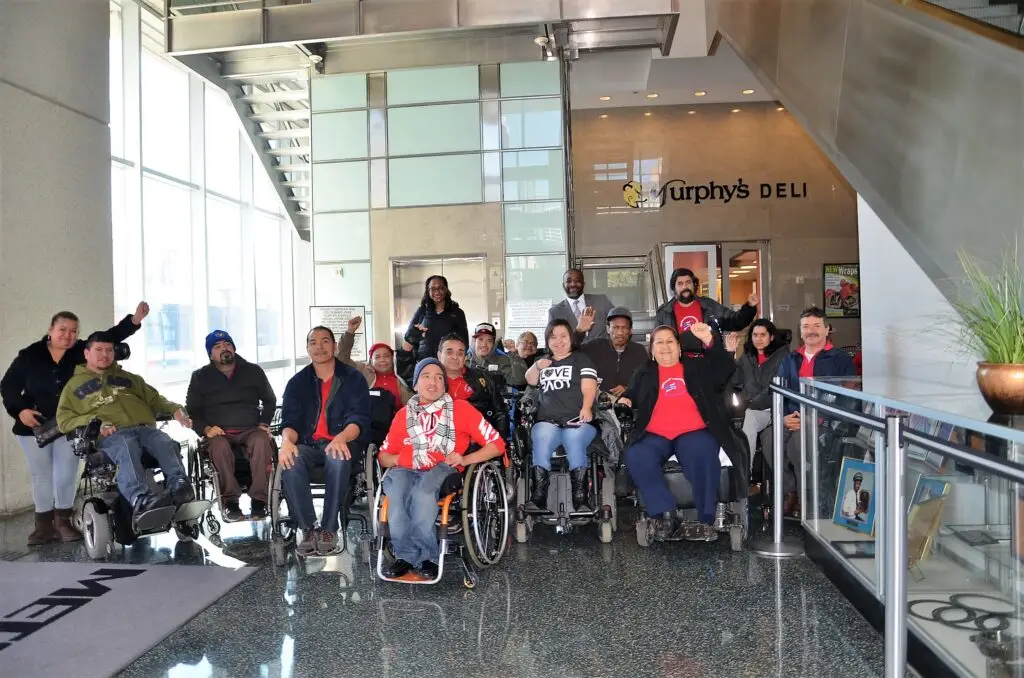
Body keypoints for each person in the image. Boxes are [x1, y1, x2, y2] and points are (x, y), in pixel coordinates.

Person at [1, 302, 149, 546]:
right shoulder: (29, 355)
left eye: (73, 331)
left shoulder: (82, 351)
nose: (68, 335)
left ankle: (63, 522)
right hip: (34, 426)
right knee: (42, 476)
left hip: (71, 424)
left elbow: (109, 337)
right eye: (63, 329)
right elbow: (8, 386)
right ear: (51, 330)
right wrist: (19, 411)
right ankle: (43, 528)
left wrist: (133, 321)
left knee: (67, 474)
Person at [377, 358, 505, 579]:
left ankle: (428, 556)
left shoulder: (461, 410)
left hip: (443, 467)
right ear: (415, 384)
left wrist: (466, 460)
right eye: (426, 376)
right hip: (407, 468)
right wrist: (404, 458)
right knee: (396, 493)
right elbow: (383, 457)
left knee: (422, 493)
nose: (433, 382)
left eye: (439, 377)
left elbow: (497, 445)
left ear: (445, 385)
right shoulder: (403, 415)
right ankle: (405, 555)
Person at [618, 324, 748, 541]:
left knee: (702, 452)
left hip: (693, 430)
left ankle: (704, 518)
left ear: (679, 348)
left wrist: (710, 340)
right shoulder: (646, 371)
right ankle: (666, 514)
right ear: (652, 350)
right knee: (636, 455)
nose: (665, 346)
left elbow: (724, 370)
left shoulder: (696, 367)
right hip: (656, 433)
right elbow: (632, 391)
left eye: (670, 341)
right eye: (659, 342)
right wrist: (626, 399)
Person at [56, 331, 194, 519]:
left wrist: (175, 409)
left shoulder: (130, 378)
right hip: (112, 435)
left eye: (109, 350)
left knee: (164, 440)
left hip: (145, 429)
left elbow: (155, 400)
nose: (105, 354)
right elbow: (63, 420)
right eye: (99, 350)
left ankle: (179, 485)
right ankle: (140, 499)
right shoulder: (73, 386)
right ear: (86, 354)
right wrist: (93, 421)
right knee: (126, 446)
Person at [279, 326, 372, 556]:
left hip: (344, 442)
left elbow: (359, 418)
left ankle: (330, 529)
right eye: (313, 342)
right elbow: (290, 420)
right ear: (307, 348)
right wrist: (287, 442)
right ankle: (308, 529)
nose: (319, 347)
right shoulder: (297, 383)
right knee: (291, 459)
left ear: (335, 345)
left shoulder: (352, 378)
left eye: (325, 341)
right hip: (309, 445)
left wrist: (341, 437)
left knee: (337, 456)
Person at [770, 306, 856, 516]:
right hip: (793, 418)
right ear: (800, 331)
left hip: (822, 422)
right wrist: (782, 418)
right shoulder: (791, 359)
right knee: (768, 439)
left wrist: (814, 418)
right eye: (806, 326)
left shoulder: (840, 360)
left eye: (817, 326)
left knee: (796, 446)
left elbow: (846, 398)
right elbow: (778, 391)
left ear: (827, 330)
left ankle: (805, 497)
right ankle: (790, 491)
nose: (811, 331)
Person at [186, 330, 277, 521]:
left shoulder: (253, 371)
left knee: (262, 441)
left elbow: (270, 400)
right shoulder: (200, 376)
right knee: (218, 446)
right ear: (211, 354)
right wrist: (206, 429)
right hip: (219, 432)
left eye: (227, 344)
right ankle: (230, 502)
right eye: (217, 347)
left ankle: (260, 501)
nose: (224, 349)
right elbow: (192, 411)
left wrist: (263, 424)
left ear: (233, 348)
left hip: (251, 429)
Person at [526, 319, 599, 511]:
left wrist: (586, 407)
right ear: (547, 340)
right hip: (548, 421)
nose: (559, 341)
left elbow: (589, 386)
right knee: (540, 436)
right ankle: (539, 494)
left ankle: (580, 497)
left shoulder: (581, 359)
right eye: (553, 337)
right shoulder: (543, 361)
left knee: (574, 439)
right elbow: (530, 380)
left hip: (577, 420)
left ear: (571, 338)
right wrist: (538, 366)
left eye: (563, 336)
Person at [731, 319, 790, 461]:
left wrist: (750, 404)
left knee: (750, 417)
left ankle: (745, 472)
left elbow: (774, 390)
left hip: (772, 409)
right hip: (748, 407)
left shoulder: (783, 357)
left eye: (762, 335)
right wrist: (731, 354)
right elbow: (735, 380)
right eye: (755, 335)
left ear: (771, 337)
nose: (758, 339)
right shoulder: (747, 356)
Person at [436, 334, 509, 438]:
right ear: (439, 355)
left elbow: (500, 413)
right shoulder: (429, 382)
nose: (455, 357)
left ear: (465, 358)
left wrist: (501, 444)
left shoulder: (483, 378)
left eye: (460, 353)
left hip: (478, 441)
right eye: (449, 352)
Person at [336, 315, 412, 408]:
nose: (382, 360)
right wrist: (349, 332)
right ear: (371, 360)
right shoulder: (362, 371)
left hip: (399, 420)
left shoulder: (402, 375)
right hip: (367, 420)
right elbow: (342, 359)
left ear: (392, 358)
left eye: (386, 356)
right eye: (378, 357)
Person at [654, 267, 758, 335]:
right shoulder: (664, 313)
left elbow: (736, 322)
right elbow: (658, 342)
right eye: (680, 284)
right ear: (674, 288)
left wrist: (750, 306)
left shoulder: (709, 306)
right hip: (679, 364)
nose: (685, 287)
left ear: (694, 285)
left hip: (707, 364)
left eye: (688, 282)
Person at [572, 306, 648, 397]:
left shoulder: (639, 351)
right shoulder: (595, 347)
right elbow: (570, 352)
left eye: (624, 328)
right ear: (608, 329)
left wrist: (629, 389)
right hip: (597, 406)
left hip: (628, 406)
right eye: (615, 327)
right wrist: (579, 331)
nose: (620, 332)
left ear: (631, 330)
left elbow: (646, 382)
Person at [402, 275, 468, 363]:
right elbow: (409, 337)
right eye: (433, 289)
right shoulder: (422, 311)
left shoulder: (457, 313)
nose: (437, 292)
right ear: (428, 291)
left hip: (448, 363)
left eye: (441, 288)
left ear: (446, 289)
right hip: (424, 362)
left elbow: (464, 341)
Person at [547, 268, 614, 341]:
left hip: (601, 351)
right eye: (569, 281)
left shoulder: (601, 301)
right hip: (573, 352)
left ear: (583, 284)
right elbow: (552, 341)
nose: (573, 284)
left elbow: (618, 322)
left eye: (577, 281)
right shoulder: (555, 312)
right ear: (563, 285)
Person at [467, 322, 527, 388]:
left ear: (493, 343)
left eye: (489, 341)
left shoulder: (502, 361)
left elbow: (520, 381)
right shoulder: (464, 359)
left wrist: (515, 354)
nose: (484, 344)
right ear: (474, 340)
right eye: (481, 339)